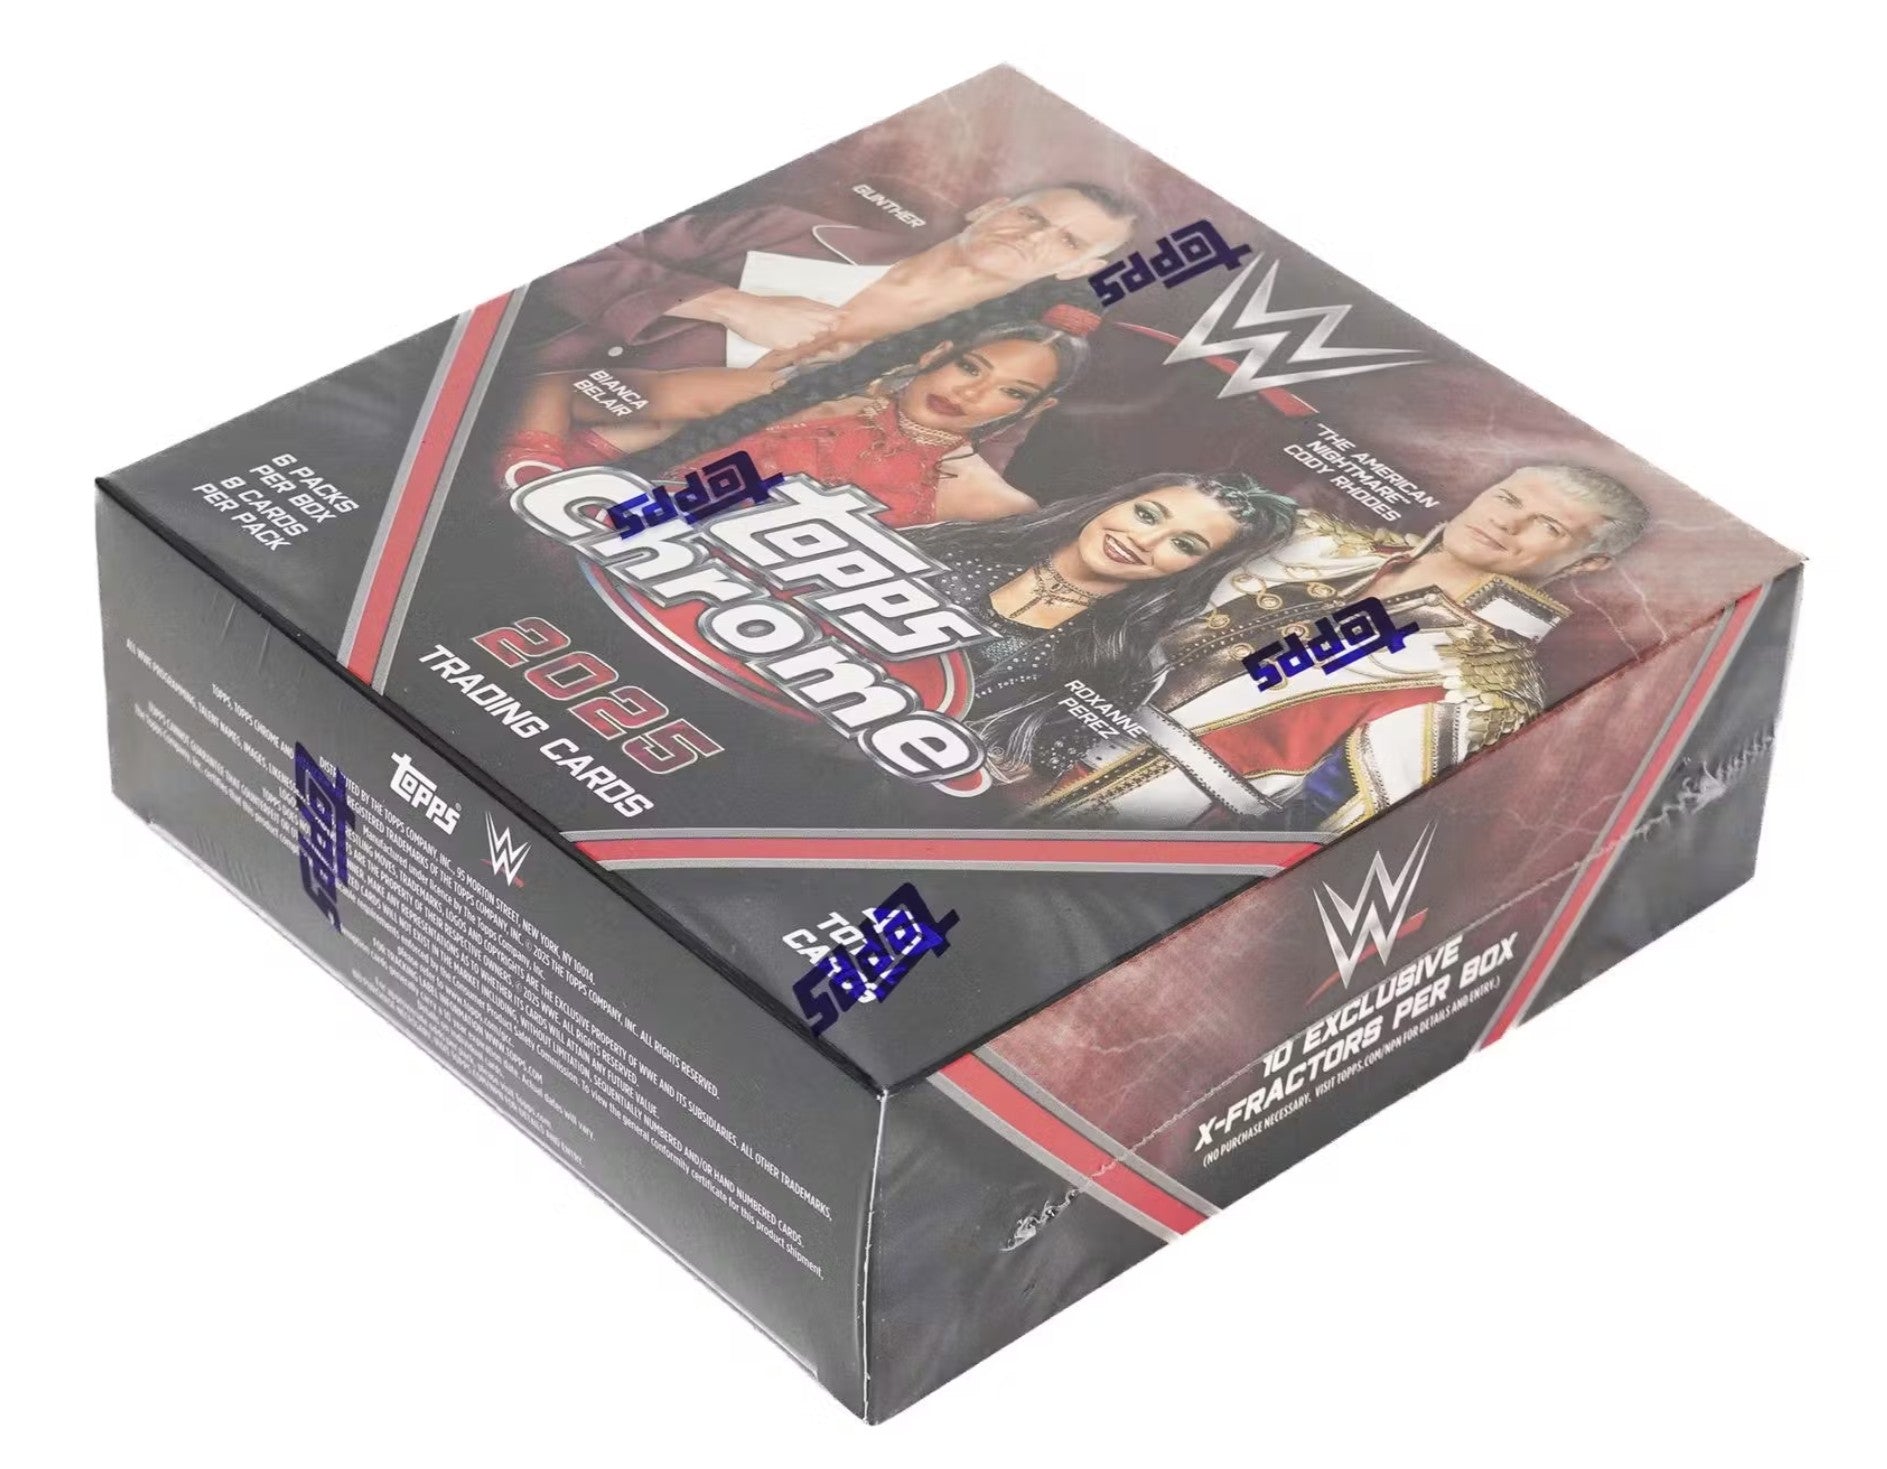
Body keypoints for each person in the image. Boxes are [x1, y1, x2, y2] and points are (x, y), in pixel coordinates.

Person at [1027, 464, 1651, 831]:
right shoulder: (1312, 536)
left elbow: (1336, 830)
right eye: (1508, 499)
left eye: (1548, 526)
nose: (1505, 523)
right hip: (1015, 720)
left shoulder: (1486, 685)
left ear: (1588, 562)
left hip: (1121, 830)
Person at [524, 184, 1140, 468]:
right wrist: (728, 304)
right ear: (991, 206)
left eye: (1067, 241)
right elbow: (572, 260)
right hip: (517, 409)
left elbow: (971, 465)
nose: (1033, 239)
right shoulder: (786, 229)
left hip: (658, 498)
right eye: (1031, 216)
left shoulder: (1008, 359)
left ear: (1080, 268)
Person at [500, 306, 1099, 526]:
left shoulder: (994, 505)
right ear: (935, 355)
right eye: (970, 367)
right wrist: (533, 472)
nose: (971, 394)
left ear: (1033, 410)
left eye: (1011, 392)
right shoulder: (792, 396)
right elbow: (558, 388)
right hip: (584, 533)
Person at [905, 472, 1298, 781]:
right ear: (1116, 501)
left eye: (1184, 545)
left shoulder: (1124, 664)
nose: (1144, 540)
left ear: (1199, 568)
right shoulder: (965, 542)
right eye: (1146, 515)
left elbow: (1031, 769)